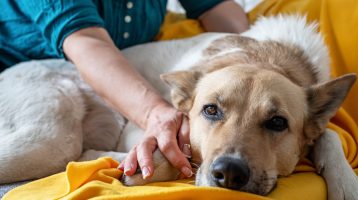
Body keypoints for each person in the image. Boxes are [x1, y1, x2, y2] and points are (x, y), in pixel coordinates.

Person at [0, 0, 249, 180]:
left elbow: (217, 8)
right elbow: (87, 41)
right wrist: (156, 113)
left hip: (120, 82)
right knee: (48, 146)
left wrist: (256, 55)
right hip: (27, 82)